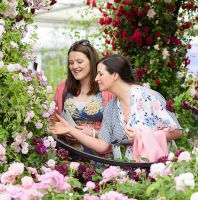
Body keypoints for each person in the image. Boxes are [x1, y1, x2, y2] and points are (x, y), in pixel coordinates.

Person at [50, 54, 182, 161]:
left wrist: (142, 136)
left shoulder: (147, 96)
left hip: (156, 170)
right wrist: (71, 130)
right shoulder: (111, 108)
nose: (96, 78)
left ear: (115, 75)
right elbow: (102, 145)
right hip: (128, 173)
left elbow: (177, 131)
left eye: (100, 74)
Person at [53, 39, 113, 156]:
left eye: (79, 62)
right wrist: (64, 131)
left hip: (100, 159)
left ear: (92, 62)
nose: (74, 66)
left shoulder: (107, 89)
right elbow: (53, 119)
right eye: (71, 63)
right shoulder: (62, 87)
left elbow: (118, 131)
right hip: (68, 156)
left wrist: (93, 133)